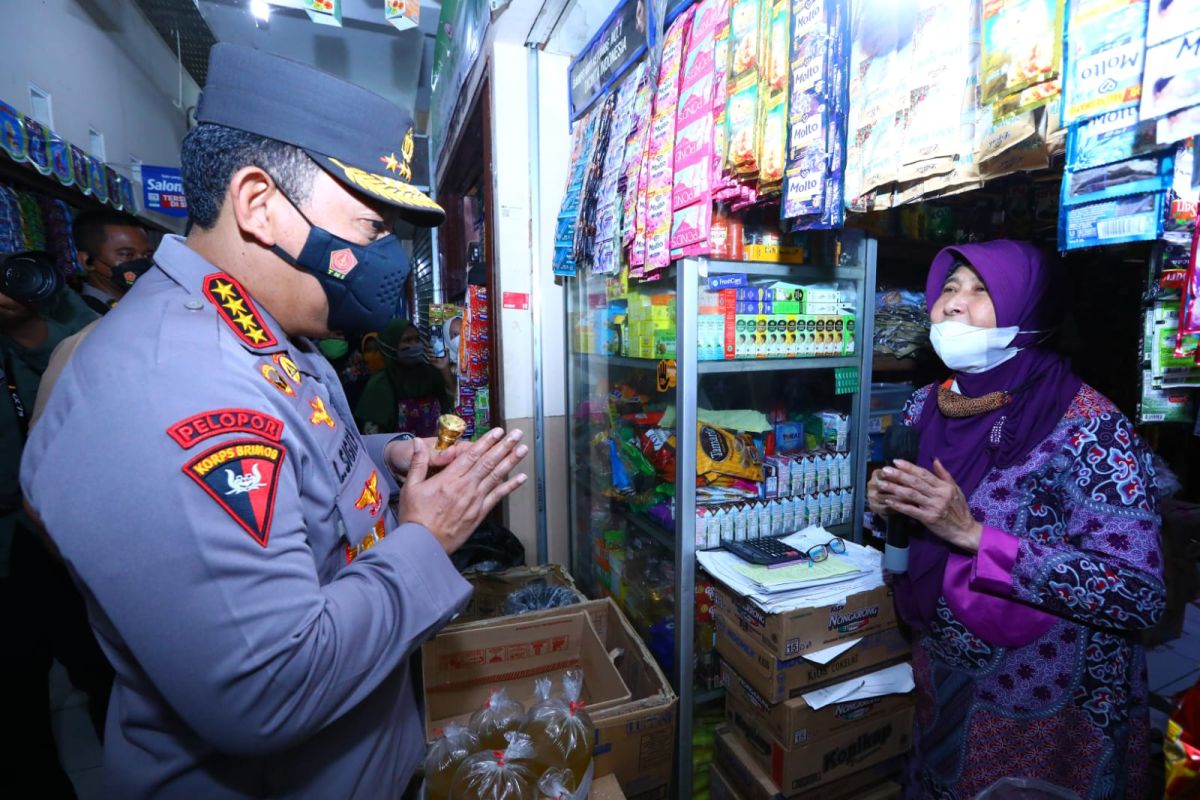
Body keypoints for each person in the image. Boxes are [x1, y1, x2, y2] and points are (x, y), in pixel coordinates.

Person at [21, 43, 528, 799]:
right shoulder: (180, 386)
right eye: (368, 229)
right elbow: (269, 686)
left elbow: (297, 460)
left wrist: (386, 458)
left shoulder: (259, 328)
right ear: (258, 205)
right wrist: (429, 539)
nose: (383, 259)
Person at [868, 240, 1166, 799]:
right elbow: (908, 520)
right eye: (950, 287)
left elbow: (1138, 592)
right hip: (941, 667)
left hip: (1043, 693)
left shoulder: (1089, 426)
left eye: (983, 290)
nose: (955, 304)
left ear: (1027, 310)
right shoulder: (922, 406)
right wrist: (886, 502)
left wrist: (974, 536)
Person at [0, 252, 110, 799]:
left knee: (101, 671)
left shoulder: (54, 300)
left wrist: (27, 326)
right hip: (12, 539)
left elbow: (88, 359)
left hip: (65, 532)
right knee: (17, 696)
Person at [355, 318, 456, 438]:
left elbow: (454, 404)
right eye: (407, 340)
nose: (414, 345)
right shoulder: (379, 385)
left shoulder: (430, 373)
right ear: (391, 345)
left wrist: (444, 370)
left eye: (417, 339)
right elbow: (373, 436)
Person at [71, 210, 155, 314]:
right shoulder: (83, 316)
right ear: (87, 261)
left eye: (147, 255)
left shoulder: (147, 305)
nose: (141, 262)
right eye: (126, 254)